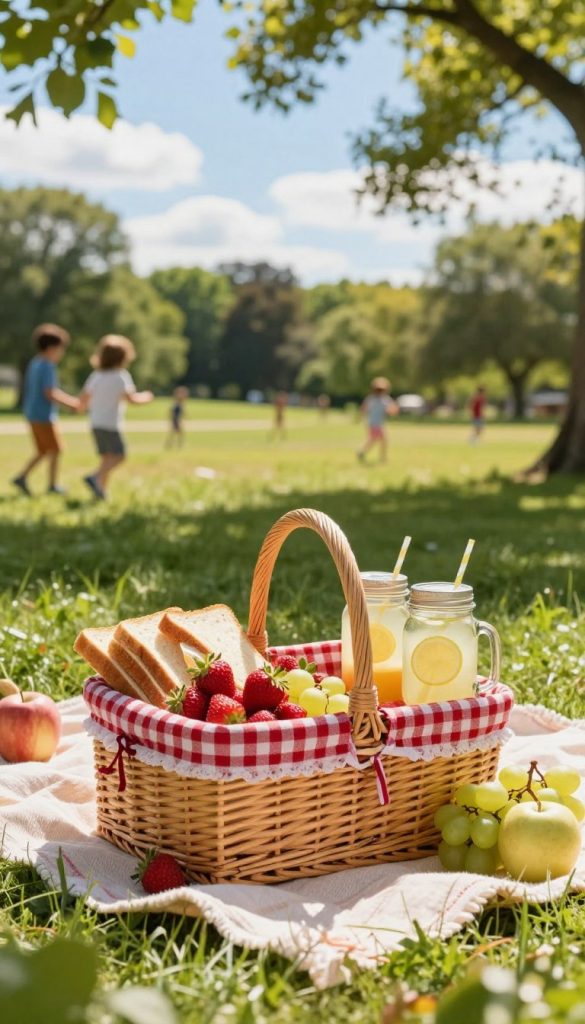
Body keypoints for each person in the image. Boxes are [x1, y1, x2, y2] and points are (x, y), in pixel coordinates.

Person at [78, 335, 153, 500]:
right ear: (122, 358)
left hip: (95, 423)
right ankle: (95, 477)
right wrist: (146, 397)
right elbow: (132, 399)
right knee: (120, 456)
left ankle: (100, 492)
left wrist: (80, 407)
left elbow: (83, 399)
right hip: (111, 424)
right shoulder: (121, 376)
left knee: (106, 458)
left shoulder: (96, 376)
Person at [12, 323, 79, 497]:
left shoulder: (35, 363)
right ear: (51, 348)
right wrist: (72, 403)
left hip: (32, 413)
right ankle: (52, 485)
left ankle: (22, 476)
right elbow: (50, 392)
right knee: (56, 450)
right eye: (60, 349)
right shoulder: (47, 366)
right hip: (43, 416)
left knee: (43, 450)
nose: (61, 353)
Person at [357, 377, 398, 464]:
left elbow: (391, 410)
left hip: (378, 424)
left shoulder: (384, 399)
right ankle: (382, 458)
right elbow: (364, 409)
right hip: (373, 424)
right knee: (381, 440)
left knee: (374, 440)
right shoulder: (373, 399)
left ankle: (362, 452)